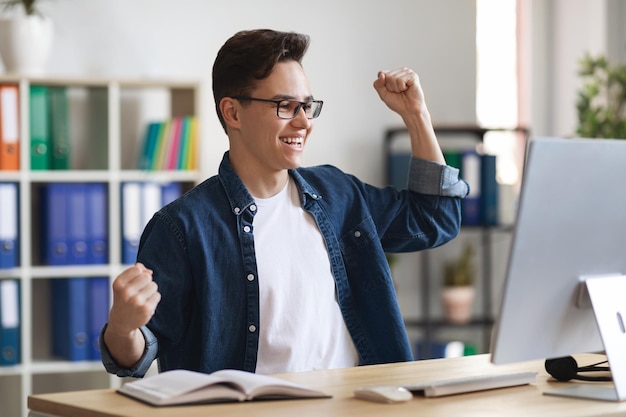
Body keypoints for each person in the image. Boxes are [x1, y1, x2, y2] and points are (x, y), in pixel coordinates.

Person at [100, 29, 468, 377]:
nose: (304, 122)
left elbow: (434, 219)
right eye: (285, 106)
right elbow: (134, 357)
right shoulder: (182, 227)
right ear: (232, 112)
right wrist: (121, 327)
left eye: (308, 107)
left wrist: (416, 116)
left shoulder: (338, 194)